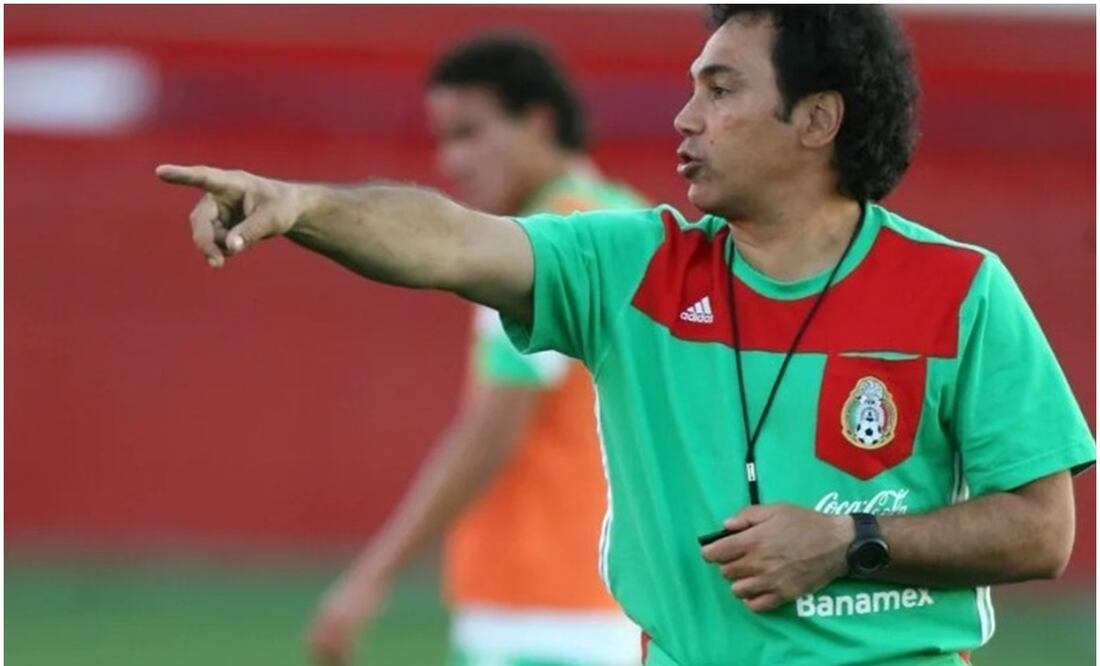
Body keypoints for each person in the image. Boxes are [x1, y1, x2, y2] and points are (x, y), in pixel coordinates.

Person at [158, 6, 1095, 666]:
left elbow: (1042, 531)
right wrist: (302, 205)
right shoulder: (633, 267)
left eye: (720, 91)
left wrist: (849, 540)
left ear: (817, 119)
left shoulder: (961, 289)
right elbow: (450, 240)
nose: (687, 118)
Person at [306, 36, 646, 666]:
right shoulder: (627, 219)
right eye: (443, 138)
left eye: (470, 133)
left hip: (536, 602)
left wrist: (369, 578)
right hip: (616, 600)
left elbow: (491, 434)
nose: (451, 161)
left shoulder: (538, 246)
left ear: (538, 121)